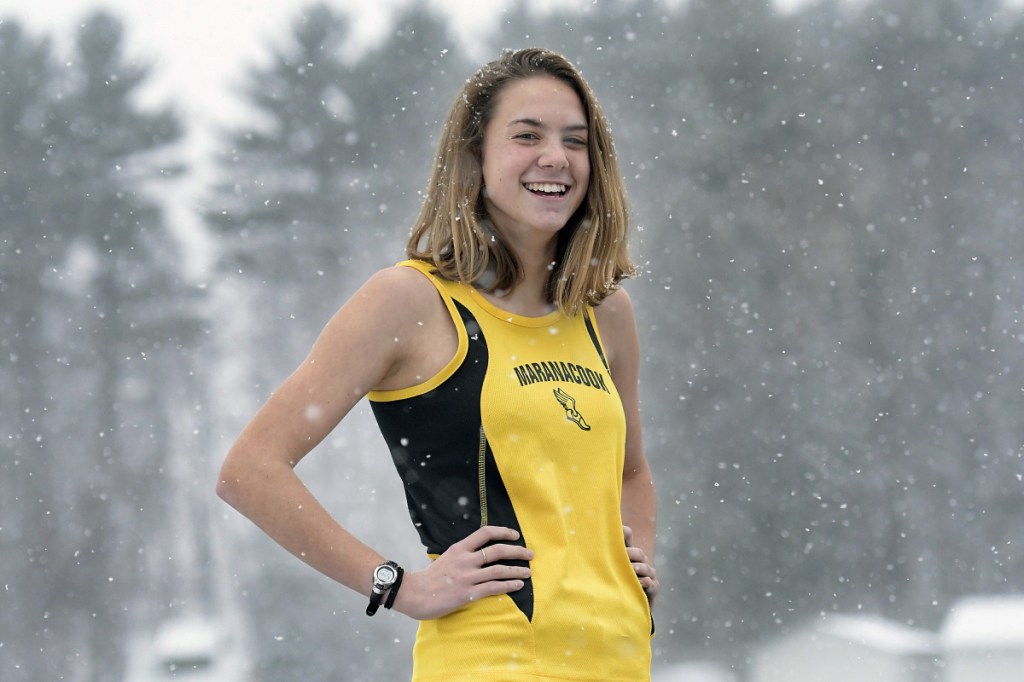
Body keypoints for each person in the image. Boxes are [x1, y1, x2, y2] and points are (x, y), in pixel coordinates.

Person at [216, 47, 658, 681]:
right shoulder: (409, 302)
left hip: (619, 663)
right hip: (489, 663)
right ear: (475, 157)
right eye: (527, 136)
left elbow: (632, 472)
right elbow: (249, 470)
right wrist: (398, 586)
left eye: (575, 141)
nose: (555, 157)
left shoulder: (605, 312)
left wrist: (635, 567)